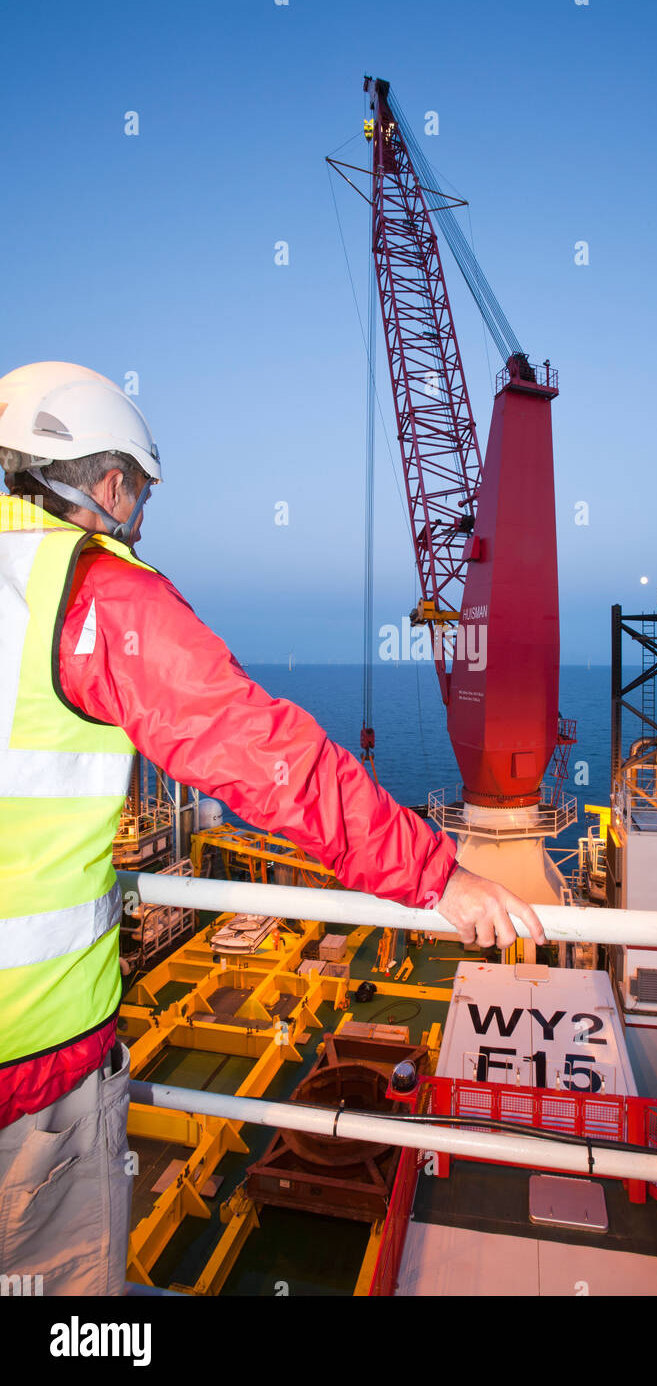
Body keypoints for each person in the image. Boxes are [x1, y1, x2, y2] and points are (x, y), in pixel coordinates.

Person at [0, 360, 546, 1295]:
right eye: (135, 494)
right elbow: (264, 756)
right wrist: (437, 875)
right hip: (31, 1072)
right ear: (109, 482)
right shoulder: (88, 595)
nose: (134, 519)